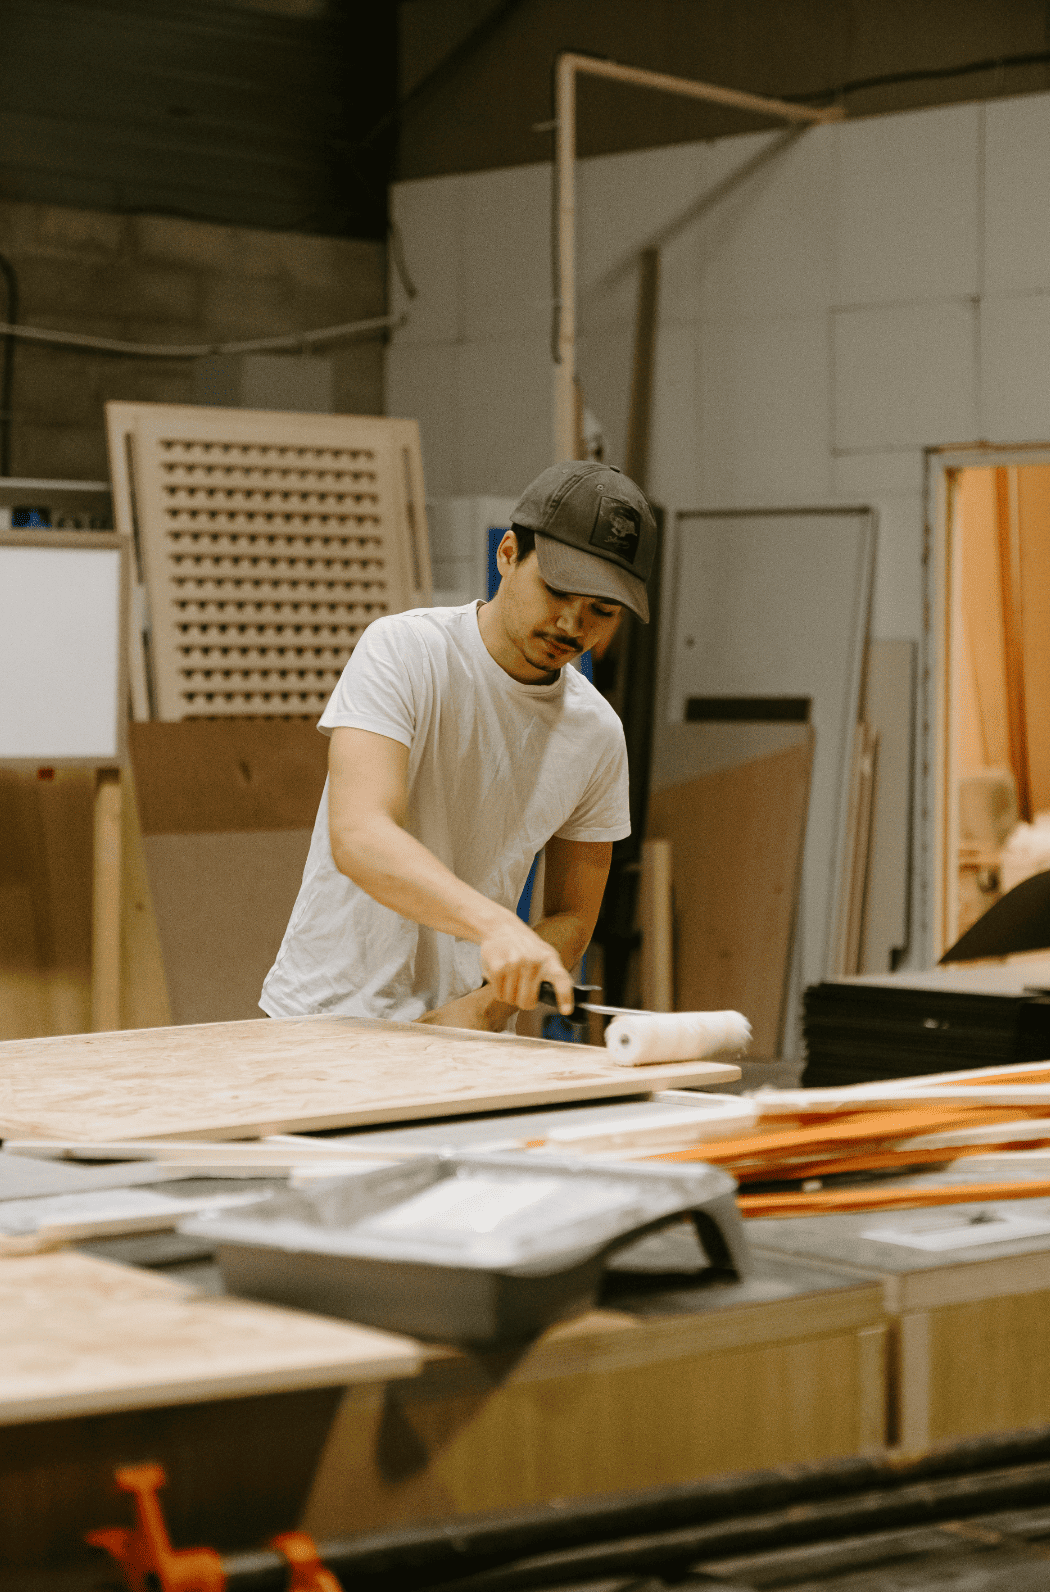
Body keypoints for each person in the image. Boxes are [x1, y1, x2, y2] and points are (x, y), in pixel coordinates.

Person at [259, 459, 656, 1031]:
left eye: (602, 610)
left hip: (463, 1035)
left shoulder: (596, 734)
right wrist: (496, 927)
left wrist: (481, 1010)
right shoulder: (405, 651)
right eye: (558, 590)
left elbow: (572, 913)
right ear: (508, 556)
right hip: (325, 1018)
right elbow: (360, 835)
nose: (573, 624)